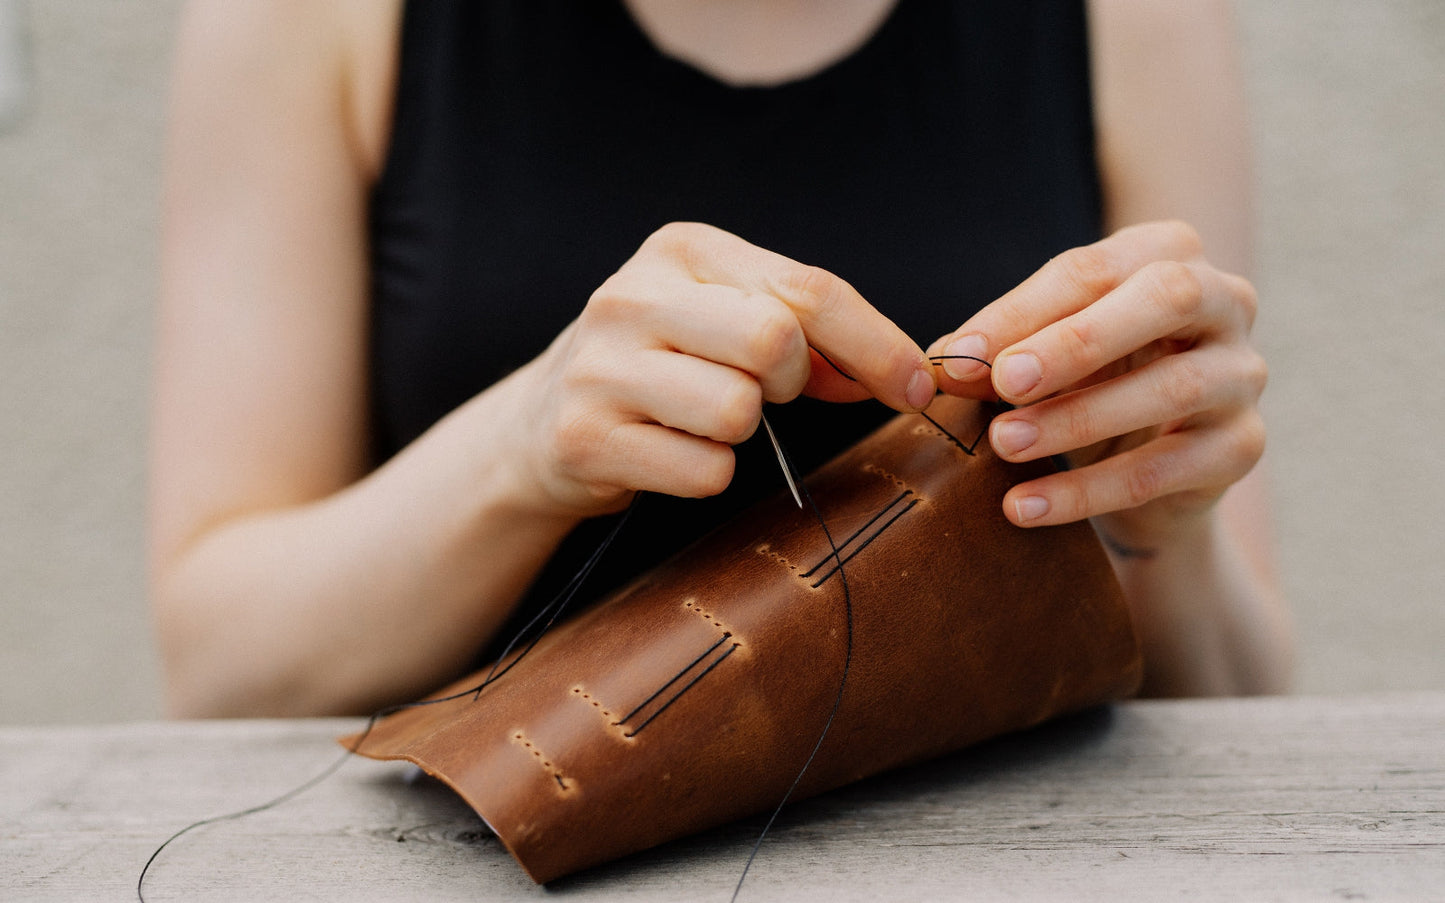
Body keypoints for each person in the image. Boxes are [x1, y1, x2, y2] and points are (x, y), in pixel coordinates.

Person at [149, 0, 1292, 718]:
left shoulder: (1133, 18)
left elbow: (1241, 686)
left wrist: (1159, 525)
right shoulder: (312, 18)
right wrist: (518, 452)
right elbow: (221, 662)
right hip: (483, 849)